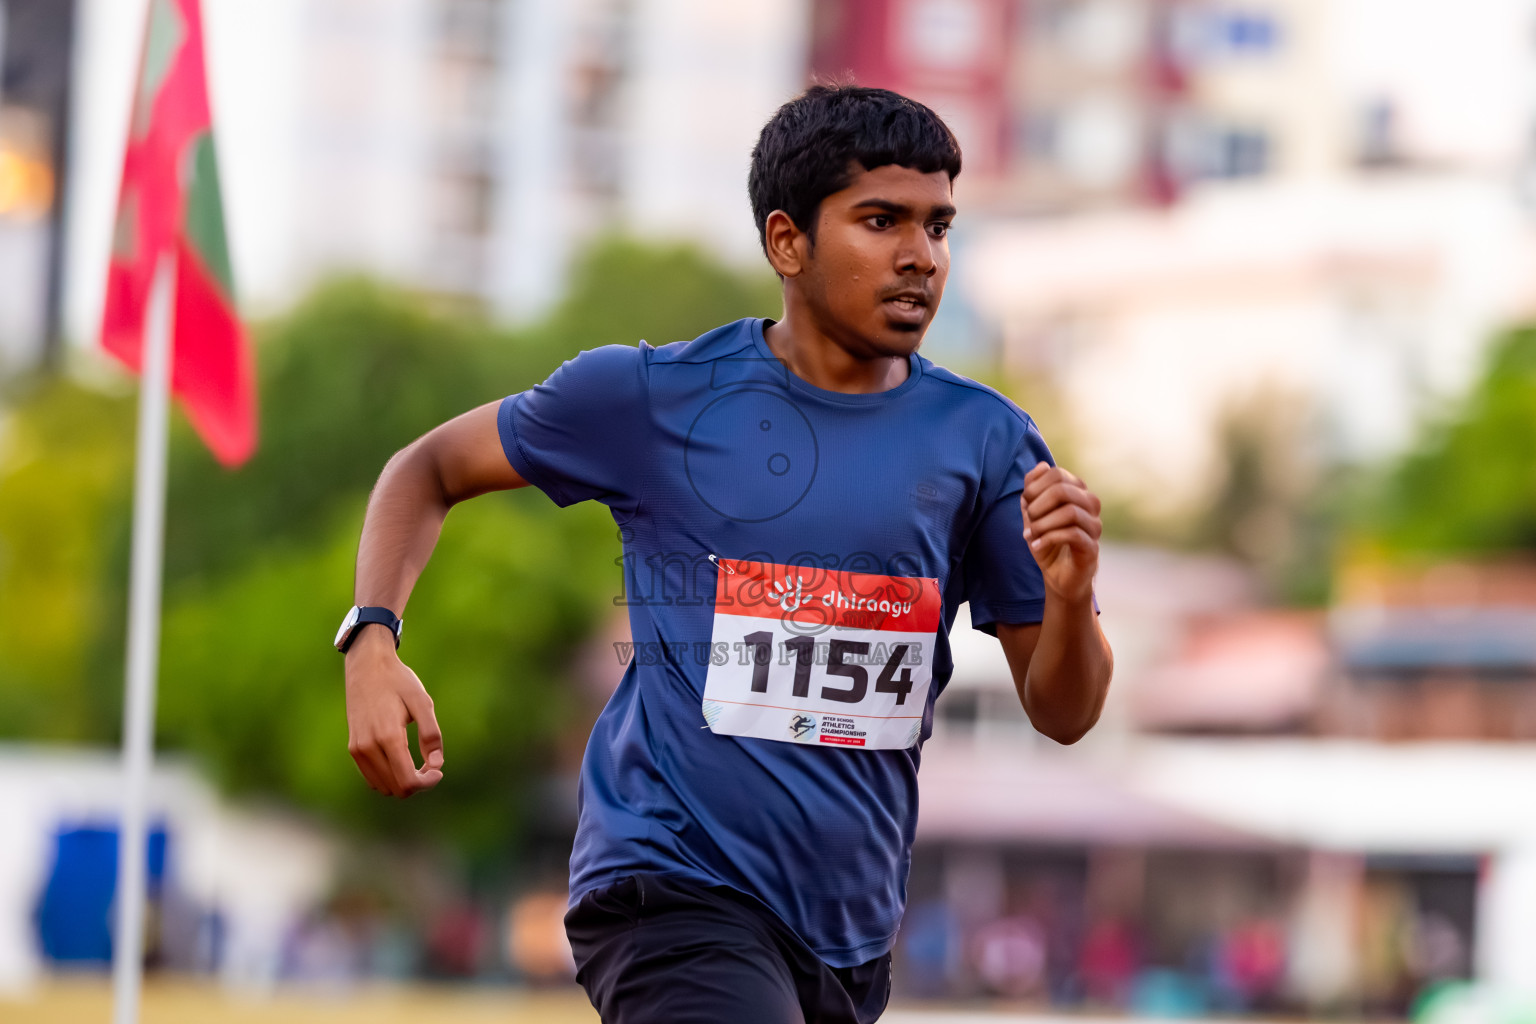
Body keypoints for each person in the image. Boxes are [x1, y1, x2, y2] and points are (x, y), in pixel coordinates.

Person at [338, 84, 1114, 1023]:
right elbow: (425, 468)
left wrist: (1070, 600)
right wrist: (372, 638)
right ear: (788, 241)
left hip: (849, 930)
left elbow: (1064, 714)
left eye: (939, 226)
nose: (920, 257)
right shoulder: (651, 397)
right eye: (882, 221)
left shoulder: (987, 441)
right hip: (668, 887)